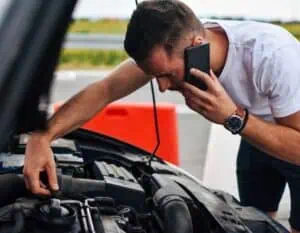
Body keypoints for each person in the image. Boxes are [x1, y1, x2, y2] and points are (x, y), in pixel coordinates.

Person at [24, 0, 300, 231]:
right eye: (156, 76)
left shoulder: (271, 57)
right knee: (258, 223)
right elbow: (105, 90)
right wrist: (43, 136)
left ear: (197, 45)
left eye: (167, 74)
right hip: (255, 135)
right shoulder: (174, 47)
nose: (164, 87)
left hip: (291, 138)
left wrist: (233, 118)